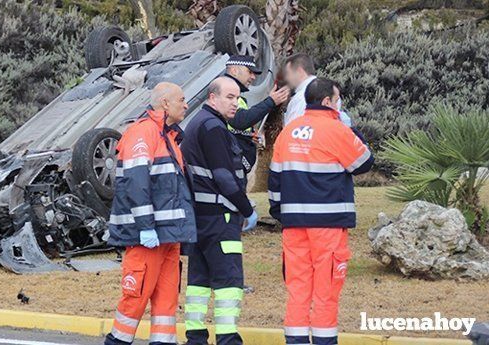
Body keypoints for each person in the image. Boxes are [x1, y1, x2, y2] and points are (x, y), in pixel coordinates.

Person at [268, 78, 374, 345]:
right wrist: (350, 127)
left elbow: (274, 180)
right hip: (327, 224)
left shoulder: (288, 132)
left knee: (298, 289)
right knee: (326, 289)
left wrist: (281, 214)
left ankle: (296, 341)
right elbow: (364, 162)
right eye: (337, 100)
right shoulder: (336, 129)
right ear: (327, 101)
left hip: (294, 225)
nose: (339, 106)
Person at [104, 82, 197, 345]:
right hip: (149, 236)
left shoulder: (166, 135)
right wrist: (146, 226)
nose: (186, 104)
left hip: (167, 237)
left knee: (166, 306)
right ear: (165, 103)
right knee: (134, 301)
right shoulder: (144, 132)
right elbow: (136, 182)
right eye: (182, 99)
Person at [180, 77, 257, 345]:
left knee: (199, 282)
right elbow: (224, 178)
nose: (236, 103)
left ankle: (196, 338)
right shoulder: (213, 127)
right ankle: (227, 340)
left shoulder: (197, 124)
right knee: (229, 282)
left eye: (237, 98)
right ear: (213, 98)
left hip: (200, 217)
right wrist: (247, 209)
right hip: (220, 216)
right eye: (230, 97)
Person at [224, 55, 290, 172]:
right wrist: (270, 102)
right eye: (249, 72)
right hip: (230, 168)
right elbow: (240, 120)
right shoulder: (224, 92)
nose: (253, 77)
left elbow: (236, 127)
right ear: (234, 71)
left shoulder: (238, 98)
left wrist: (248, 137)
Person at [282, 53, 317, 126]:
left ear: (299, 71)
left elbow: (292, 130)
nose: (286, 78)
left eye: (288, 73)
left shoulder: (301, 97)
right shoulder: (329, 91)